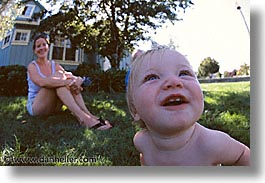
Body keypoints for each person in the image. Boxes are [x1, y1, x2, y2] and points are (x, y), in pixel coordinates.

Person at [126, 46, 250, 165]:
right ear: (134, 109)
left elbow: (243, 155)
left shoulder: (212, 143)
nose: (174, 82)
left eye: (183, 73)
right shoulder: (142, 141)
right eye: (152, 77)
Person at [26, 33, 112, 130]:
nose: (41, 48)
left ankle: (89, 115)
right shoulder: (32, 66)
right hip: (37, 106)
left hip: (54, 107)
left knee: (65, 80)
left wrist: (77, 80)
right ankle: (84, 119)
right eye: (38, 46)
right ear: (34, 50)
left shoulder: (55, 65)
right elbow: (42, 82)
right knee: (60, 82)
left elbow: (70, 76)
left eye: (44, 44)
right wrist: (66, 82)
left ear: (48, 47)